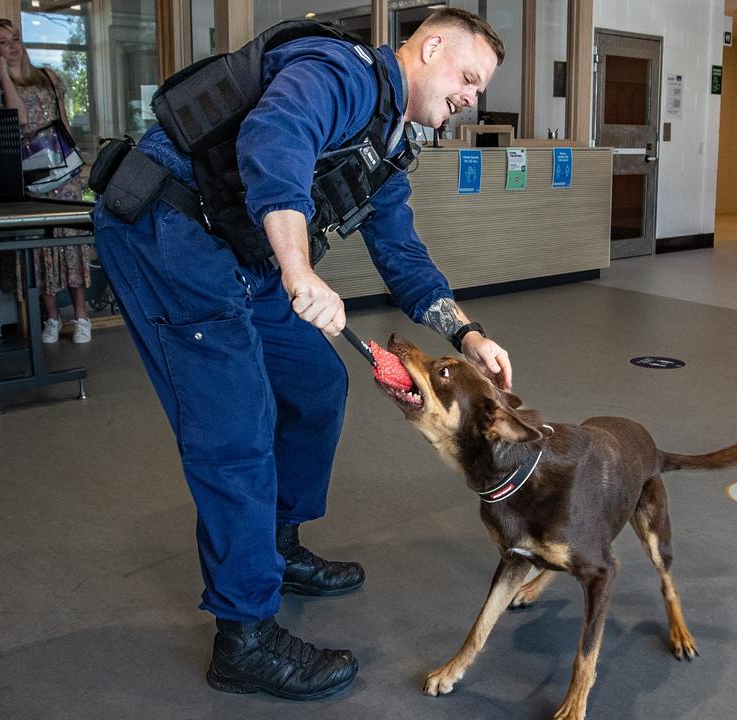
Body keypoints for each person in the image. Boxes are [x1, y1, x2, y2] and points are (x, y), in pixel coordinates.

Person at [91, 9, 512, 701]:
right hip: (170, 230)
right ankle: (244, 638)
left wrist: (468, 334)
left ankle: (277, 546)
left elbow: (402, 253)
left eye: (479, 89)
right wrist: (299, 269)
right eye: (468, 77)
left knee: (316, 383)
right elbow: (275, 136)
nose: (470, 98)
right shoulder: (340, 73)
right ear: (429, 46)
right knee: (237, 431)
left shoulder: (391, 143)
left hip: (240, 247)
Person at [0, 18, 92, 345]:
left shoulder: (48, 76)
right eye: (3, 42)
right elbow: (19, 118)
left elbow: (63, 120)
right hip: (29, 169)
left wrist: (75, 163)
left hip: (61, 167)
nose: (12, 46)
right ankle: (51, 317)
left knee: (70, 242)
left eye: (15, 38)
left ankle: (82, 315)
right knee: (40, 247)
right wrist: (3, 72)